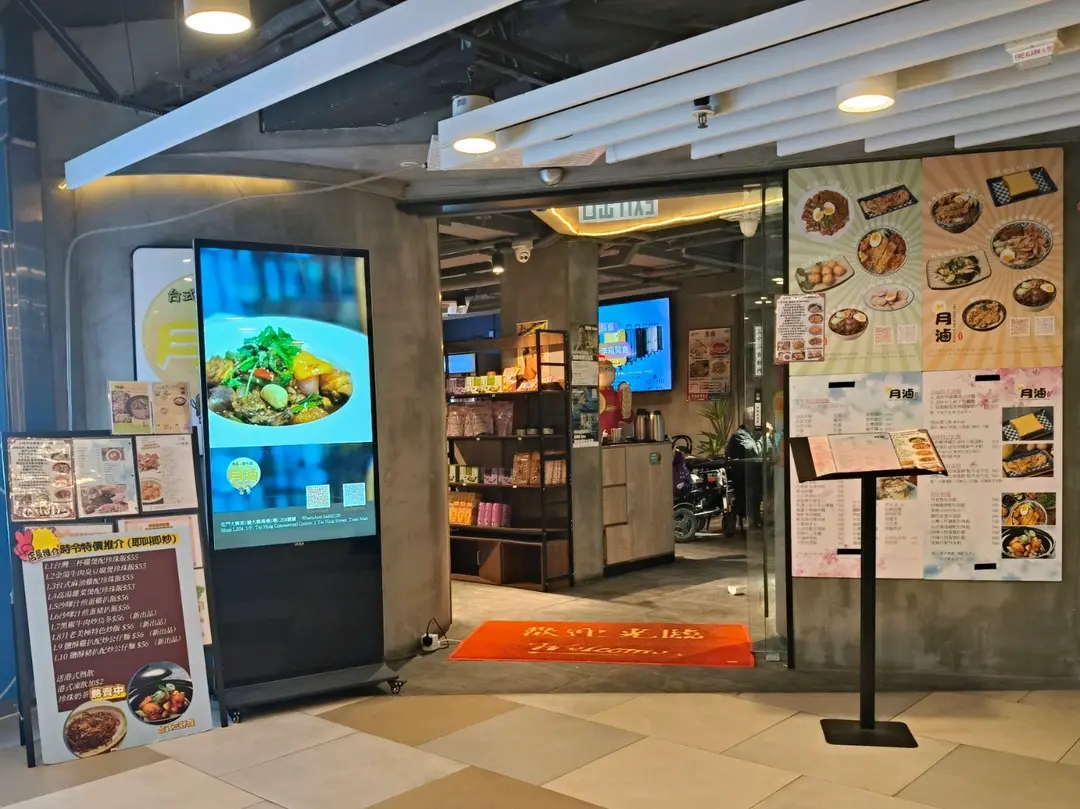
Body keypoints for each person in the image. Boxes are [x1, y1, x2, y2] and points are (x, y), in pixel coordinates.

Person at [726, 423, 763, 529]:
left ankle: (756, 519)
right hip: (744, 476)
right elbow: (755, 451)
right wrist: (765, 437)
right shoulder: (741, 434)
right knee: (755, 493)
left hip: (750, 474)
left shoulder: (748, 434)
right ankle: (753, 520)